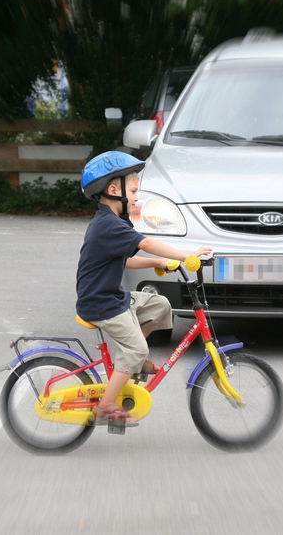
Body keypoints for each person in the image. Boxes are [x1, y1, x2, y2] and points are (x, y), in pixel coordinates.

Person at [76, 150, 211, 427]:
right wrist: (186, 255)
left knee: (159, 304)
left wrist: (160, 261)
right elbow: (146, 242)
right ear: (114, 191)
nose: (137, 197)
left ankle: (134, 362)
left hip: (111, 296)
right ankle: (106, 405)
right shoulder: (107, 225)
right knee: (136, 348)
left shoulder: (111, 222)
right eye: (134, 191)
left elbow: (126, 259)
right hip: (100, 303)